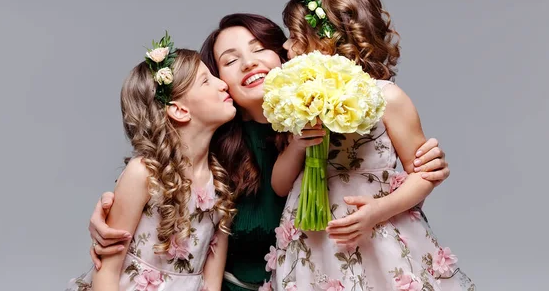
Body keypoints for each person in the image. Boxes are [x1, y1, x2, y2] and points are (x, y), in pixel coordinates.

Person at [87, 15, 450, 291]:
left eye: (260, 48)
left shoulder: (332, 123)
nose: (249, 63)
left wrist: (422, 165)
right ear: (219, 83)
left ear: (287, 55)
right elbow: (154, 199)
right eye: (228, 62)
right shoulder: (209, 149)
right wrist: (107, 216)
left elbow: (380, 178)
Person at [268, 0, 475, 290]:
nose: (285, 44)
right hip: (314, 237)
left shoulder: (387, 98)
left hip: (377, 229)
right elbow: (280, 186)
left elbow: (423, 173)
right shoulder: (297, 99)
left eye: (295, 36)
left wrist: (378, 211)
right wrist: (298, 143)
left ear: (327, 42)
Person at [66, 34, 237, 291]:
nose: (222, 84)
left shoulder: (220, 182)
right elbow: (107, 271)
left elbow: (212, 282)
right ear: (179, 110)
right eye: (206, 80)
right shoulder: (143, 174)